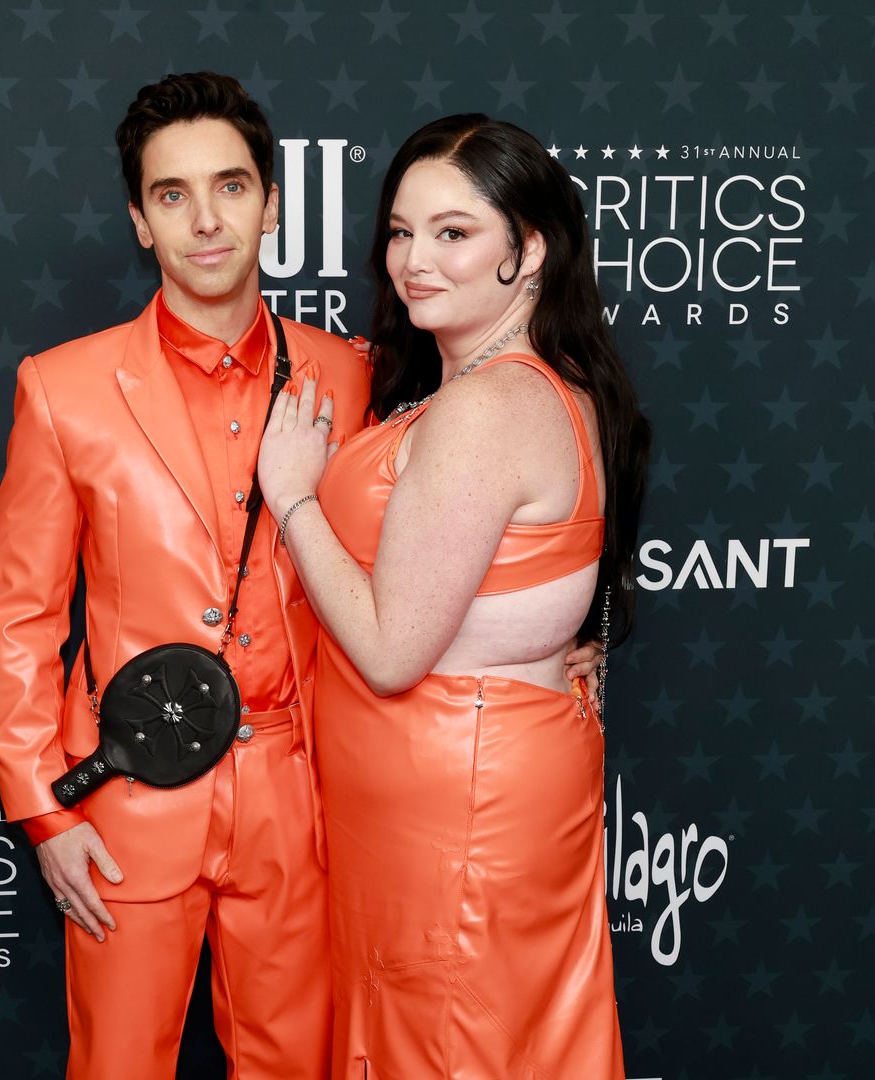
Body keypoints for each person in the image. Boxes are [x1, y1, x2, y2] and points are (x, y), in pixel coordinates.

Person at [0, 72, 605, 1077]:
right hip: (132, 794)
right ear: (140, 221)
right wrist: (45, 809)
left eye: (230, 186)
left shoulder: (358, 375)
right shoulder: (63, 389)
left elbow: (469, 530)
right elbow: (20, 615)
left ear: (272, 204)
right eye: (172, 194)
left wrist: (560, 630)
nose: (206, 220)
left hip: (309, 799)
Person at [258, 114, 650, 1078]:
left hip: (455, 797)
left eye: (454, 232)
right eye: (401, 231)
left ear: (531, 250)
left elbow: (393, 653)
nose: (414, 261)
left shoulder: (486, 405)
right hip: (473, 779)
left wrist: (294, 495)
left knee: (446, 1044)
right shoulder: (543, 384)